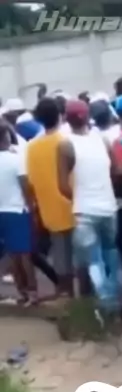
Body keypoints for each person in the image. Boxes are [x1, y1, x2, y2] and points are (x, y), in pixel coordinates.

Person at [58, 99, 120, 311]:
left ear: (66, 119)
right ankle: (117, 296)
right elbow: (114, 171)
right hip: (109, 207)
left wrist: (78, 199)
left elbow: (62, 185)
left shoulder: (65, 145)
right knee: (111, 253)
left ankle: (105, 302)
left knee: (94, 260)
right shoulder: (103, 140)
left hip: (84, 211)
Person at [28, 97, 75, 296]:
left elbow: (31, 180)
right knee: (79, 256)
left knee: (61, 255)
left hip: (49, 208)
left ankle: (65, 292)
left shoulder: (32, 147)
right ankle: (78, 295)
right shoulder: (65, 141)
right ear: (59, 116)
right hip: (72, 203)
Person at [0, 121, 37, 305]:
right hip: (18, 209)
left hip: (2, 210)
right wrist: (32, 207)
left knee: (12, 254)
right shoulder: (16, 160)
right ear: (6, 137)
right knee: (25, 254)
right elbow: (25, 185)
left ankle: (22, 292)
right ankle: (32, 292)